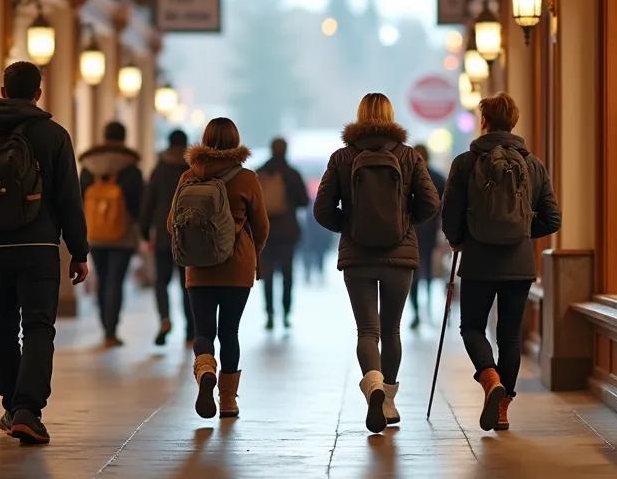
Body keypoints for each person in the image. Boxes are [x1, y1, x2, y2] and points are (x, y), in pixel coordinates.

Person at [0, 61, 90, 446]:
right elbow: (69, 198)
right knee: (39, 326)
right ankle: (28, 410)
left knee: (2, 326)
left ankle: (11, 406)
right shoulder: (53, 135)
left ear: (3, 90)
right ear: (38, 94)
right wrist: (78, 250)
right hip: (40, 246)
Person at [314, 93, 439, 433]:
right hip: (399, 256)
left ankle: (373, 387)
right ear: (391, 117)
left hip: (357, 258)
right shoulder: (409, 155)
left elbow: (321, 210)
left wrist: (350, 226)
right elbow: (431, 202)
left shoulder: (342, 157)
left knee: (367, 331)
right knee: (391, 330)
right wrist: (404, 221)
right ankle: (388, 400)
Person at [441, 92, 561, 433]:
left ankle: (489, 377)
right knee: (510, 337)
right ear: (514, 122)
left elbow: (449, 213)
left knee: (472, 327)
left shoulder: (466, 162)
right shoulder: (533, 164)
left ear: (485, 121)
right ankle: (504, 406)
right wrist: (523, 230)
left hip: (478, 260)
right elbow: (552, 218)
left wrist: (458, 239)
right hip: (519, 262)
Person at [169, 118, 269, 420]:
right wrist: (251, 252)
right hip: (237, 267)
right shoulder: (247, 178)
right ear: (235, 141)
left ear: (205, 140)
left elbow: (170, 223)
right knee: (230, 332)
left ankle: (205, 372)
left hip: (198, 266)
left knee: (202, 330)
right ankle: (227, 401)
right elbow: (261, 226)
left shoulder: (189, 176)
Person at [80, 121, 144, 348]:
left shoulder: (88, 166)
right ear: (124, 137)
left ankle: (103, 325)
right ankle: (111, 330)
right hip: (123, 234)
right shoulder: (131, 168)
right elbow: (138, 205)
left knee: (102, 278)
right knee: (116, 280)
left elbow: (79, 199)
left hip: (95, 232)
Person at [140, 129, 195, 346]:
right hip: (190, 237)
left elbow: (148, 203)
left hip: (164, 235)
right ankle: (191, 330)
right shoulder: (194, 169)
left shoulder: (159, 169)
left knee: (161, 281)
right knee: (188, 284)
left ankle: (164, 319)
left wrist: (145, 233)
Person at [257, 137, 309, 329]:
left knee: (267, 275)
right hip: (287, 233)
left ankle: (269, 313)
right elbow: (304, 201)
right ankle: (286, 313)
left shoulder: (260, 173)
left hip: (266, 233)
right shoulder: (292, 174)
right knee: (288, 275)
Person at [410, 144, 447, 329]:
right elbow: (446, 207)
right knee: (430, 271)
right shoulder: (438, 178)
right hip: (430, 232)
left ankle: (417, 312)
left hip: (412, 233)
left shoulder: (407, 176)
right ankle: (428, 308)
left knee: (413, 273)